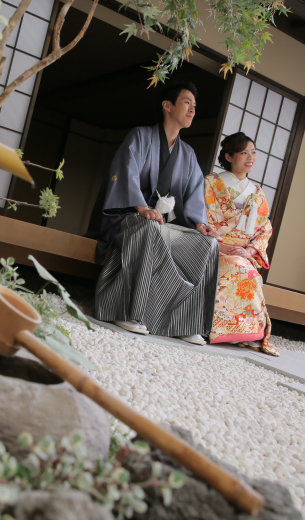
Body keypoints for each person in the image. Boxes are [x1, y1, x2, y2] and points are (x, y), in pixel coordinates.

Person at [85, 81, 221, 345]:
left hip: (165, 224)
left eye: (195, 105)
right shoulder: (140, 136)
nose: (193, 109)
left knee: (208, 244)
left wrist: (200, 223)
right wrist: (141, 208)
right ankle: (126, 311)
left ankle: (184, 321)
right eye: (186, 102)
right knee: (148, 227)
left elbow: (194, 194)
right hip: (130, 218)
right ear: (167, 106)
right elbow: (127, 173)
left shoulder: (188, 154)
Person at [204, 132, 279, 356]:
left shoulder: (257, 193)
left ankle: (248, 332)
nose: (250, 157)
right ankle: (220, 329)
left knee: (247, 270)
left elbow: (264, 228)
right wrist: (219, 244)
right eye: (243, 152)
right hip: (215, 246)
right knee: (235, 267)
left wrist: (248, 250)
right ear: (228, 156)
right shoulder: (211, 182)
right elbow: (202, 216)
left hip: (242, 252)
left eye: (253, 152)